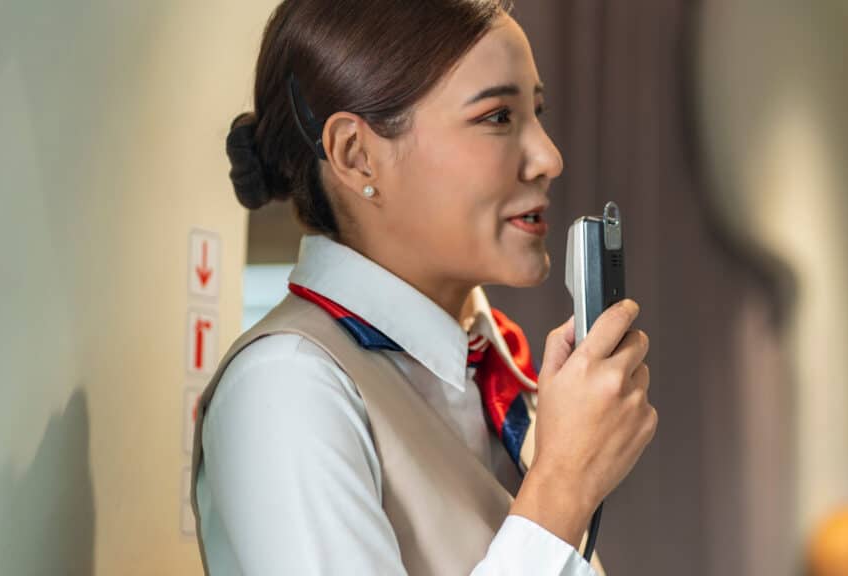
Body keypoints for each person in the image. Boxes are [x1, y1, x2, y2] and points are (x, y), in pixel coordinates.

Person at [190, 1, 657, 574]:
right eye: (496, 117)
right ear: (356, 156)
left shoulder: (495, 369)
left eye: (536, 112)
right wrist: (562, 486)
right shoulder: (286, 386)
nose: (548, 158)